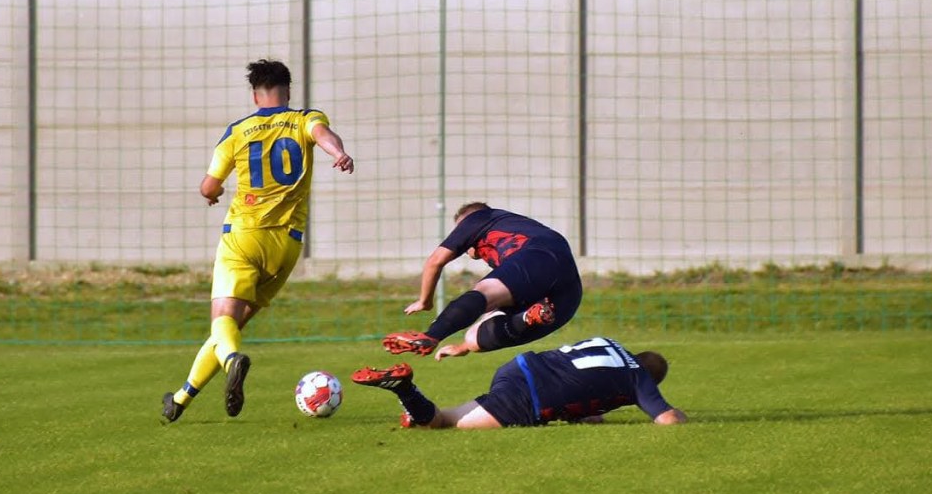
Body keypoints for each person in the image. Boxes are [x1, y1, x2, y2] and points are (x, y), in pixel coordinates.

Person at [161, 59, 354, 423]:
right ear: (288, 91)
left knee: (222, 322)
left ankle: (233, 360)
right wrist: (339, 154)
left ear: (254, 95)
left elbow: (208, 186)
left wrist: (214, 193)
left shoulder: (238, 131)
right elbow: (322, 134)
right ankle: (180, 399)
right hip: (287, 246)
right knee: (230, 328)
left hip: (244, 237)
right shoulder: (305, 118)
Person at [383, 202, 582, 359]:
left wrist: (424, 302)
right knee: (473, 338)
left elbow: (435, 262)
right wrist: (463, 347)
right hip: (568, 297)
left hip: (540, 255)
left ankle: (431, 336)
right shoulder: (511, 230)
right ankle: (527, 317)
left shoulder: (478, 218)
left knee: (486, 291)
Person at [354, 336, 688, 429]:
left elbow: (582, 379)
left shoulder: (609, 343)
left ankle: (413, 409)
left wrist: (586, 414)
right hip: (529, 396)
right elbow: (668, 419)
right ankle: (404, 388)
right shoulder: (639, 377)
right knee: (443, 423)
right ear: (652, 380)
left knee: (453, 414)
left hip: (519, 368)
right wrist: (686, 417)